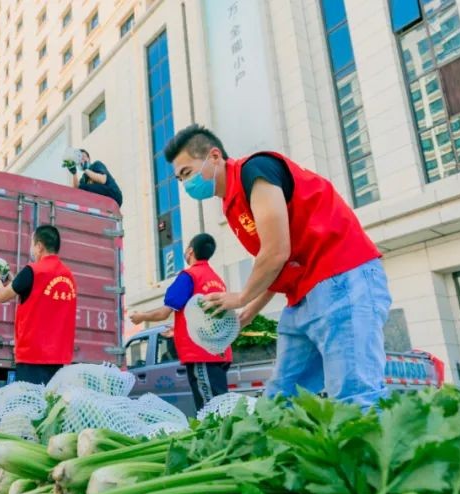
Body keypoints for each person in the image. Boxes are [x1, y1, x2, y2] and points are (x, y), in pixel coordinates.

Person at [163, 124, 391, 408]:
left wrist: (242, 297)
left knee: (355, 396)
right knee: (279, 400)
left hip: (341, 276)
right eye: (180, 179)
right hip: (302, 295)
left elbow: (276, 252)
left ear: (214, 156)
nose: (186, 184)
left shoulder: (254, 171)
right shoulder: (232, 204)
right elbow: (275, 266)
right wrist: (248, 312)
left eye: (187, 173)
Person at [129, 233, 231, 413]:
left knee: (211, 411)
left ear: (190, 251)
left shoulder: (189, 276)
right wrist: (178, 330)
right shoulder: (217, 280)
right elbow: (207, 317)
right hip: (220, 352)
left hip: (202, 354)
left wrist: (141, 317)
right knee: (219, 404)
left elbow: (164, 313)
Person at [0, 225, 76, 385]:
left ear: (39, 246)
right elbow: (34, 294)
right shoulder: (68, 275)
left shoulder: (33, 270)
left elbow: (1, 296)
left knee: (30, 399)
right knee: (51, 400)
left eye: (32, 244)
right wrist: (12, 279)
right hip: (58, 358)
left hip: (32, 356)